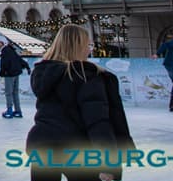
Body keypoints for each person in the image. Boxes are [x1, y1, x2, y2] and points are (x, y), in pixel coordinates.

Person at [25, 24, 134, 181]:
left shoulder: (44, 74)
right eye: (88, 45)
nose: (90, 50)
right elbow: (98, 122)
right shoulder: (86, 76)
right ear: (79, 46)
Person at [0, 36, 30, 118]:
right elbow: (18, 59)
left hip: (9, 74)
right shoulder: (11, 49)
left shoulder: (5, 50)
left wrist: (2, 72)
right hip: (16, 73)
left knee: (8, 93)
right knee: (15, 93)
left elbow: (4, 63)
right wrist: (26, 66)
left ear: (4, 43)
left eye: (0, 43)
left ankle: (9, 111)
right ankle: (18, 111)